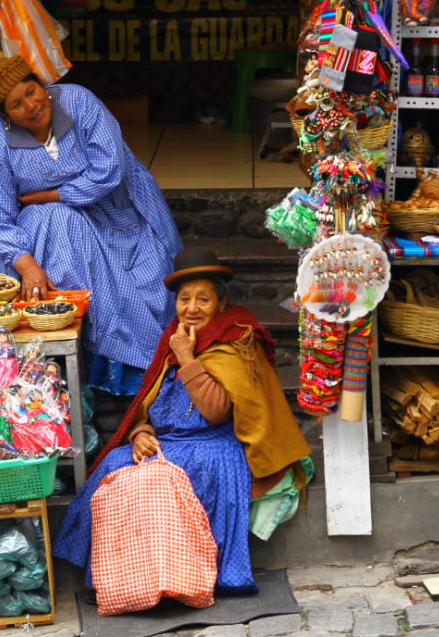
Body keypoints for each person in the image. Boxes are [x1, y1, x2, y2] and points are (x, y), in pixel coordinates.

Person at [54, 246, 312, 600]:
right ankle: (125, 574)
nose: (191, 309)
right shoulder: (172, 338)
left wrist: (188, 358)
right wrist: (142, 433)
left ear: (221, 303)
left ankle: (173, 575)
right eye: (184, 299)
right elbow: (148, 407)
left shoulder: (234, 340)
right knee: (117, 462)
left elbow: (216, 412)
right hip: (171, 442)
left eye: (202, 300)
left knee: (152, 478)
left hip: (214, 447)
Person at [0, 53, 183, 395]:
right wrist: (26, 264)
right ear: (4, 115)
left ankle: (148, 377)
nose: (30, 105)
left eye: (31, 91)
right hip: (58, 233)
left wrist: (53, 195)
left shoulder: (77, 100)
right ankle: (86, 374)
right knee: (64, 229)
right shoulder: (0, 142)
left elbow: (110, 171)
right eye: (16, 104)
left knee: (153, 287)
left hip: (120, 213)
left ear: (42, 84)